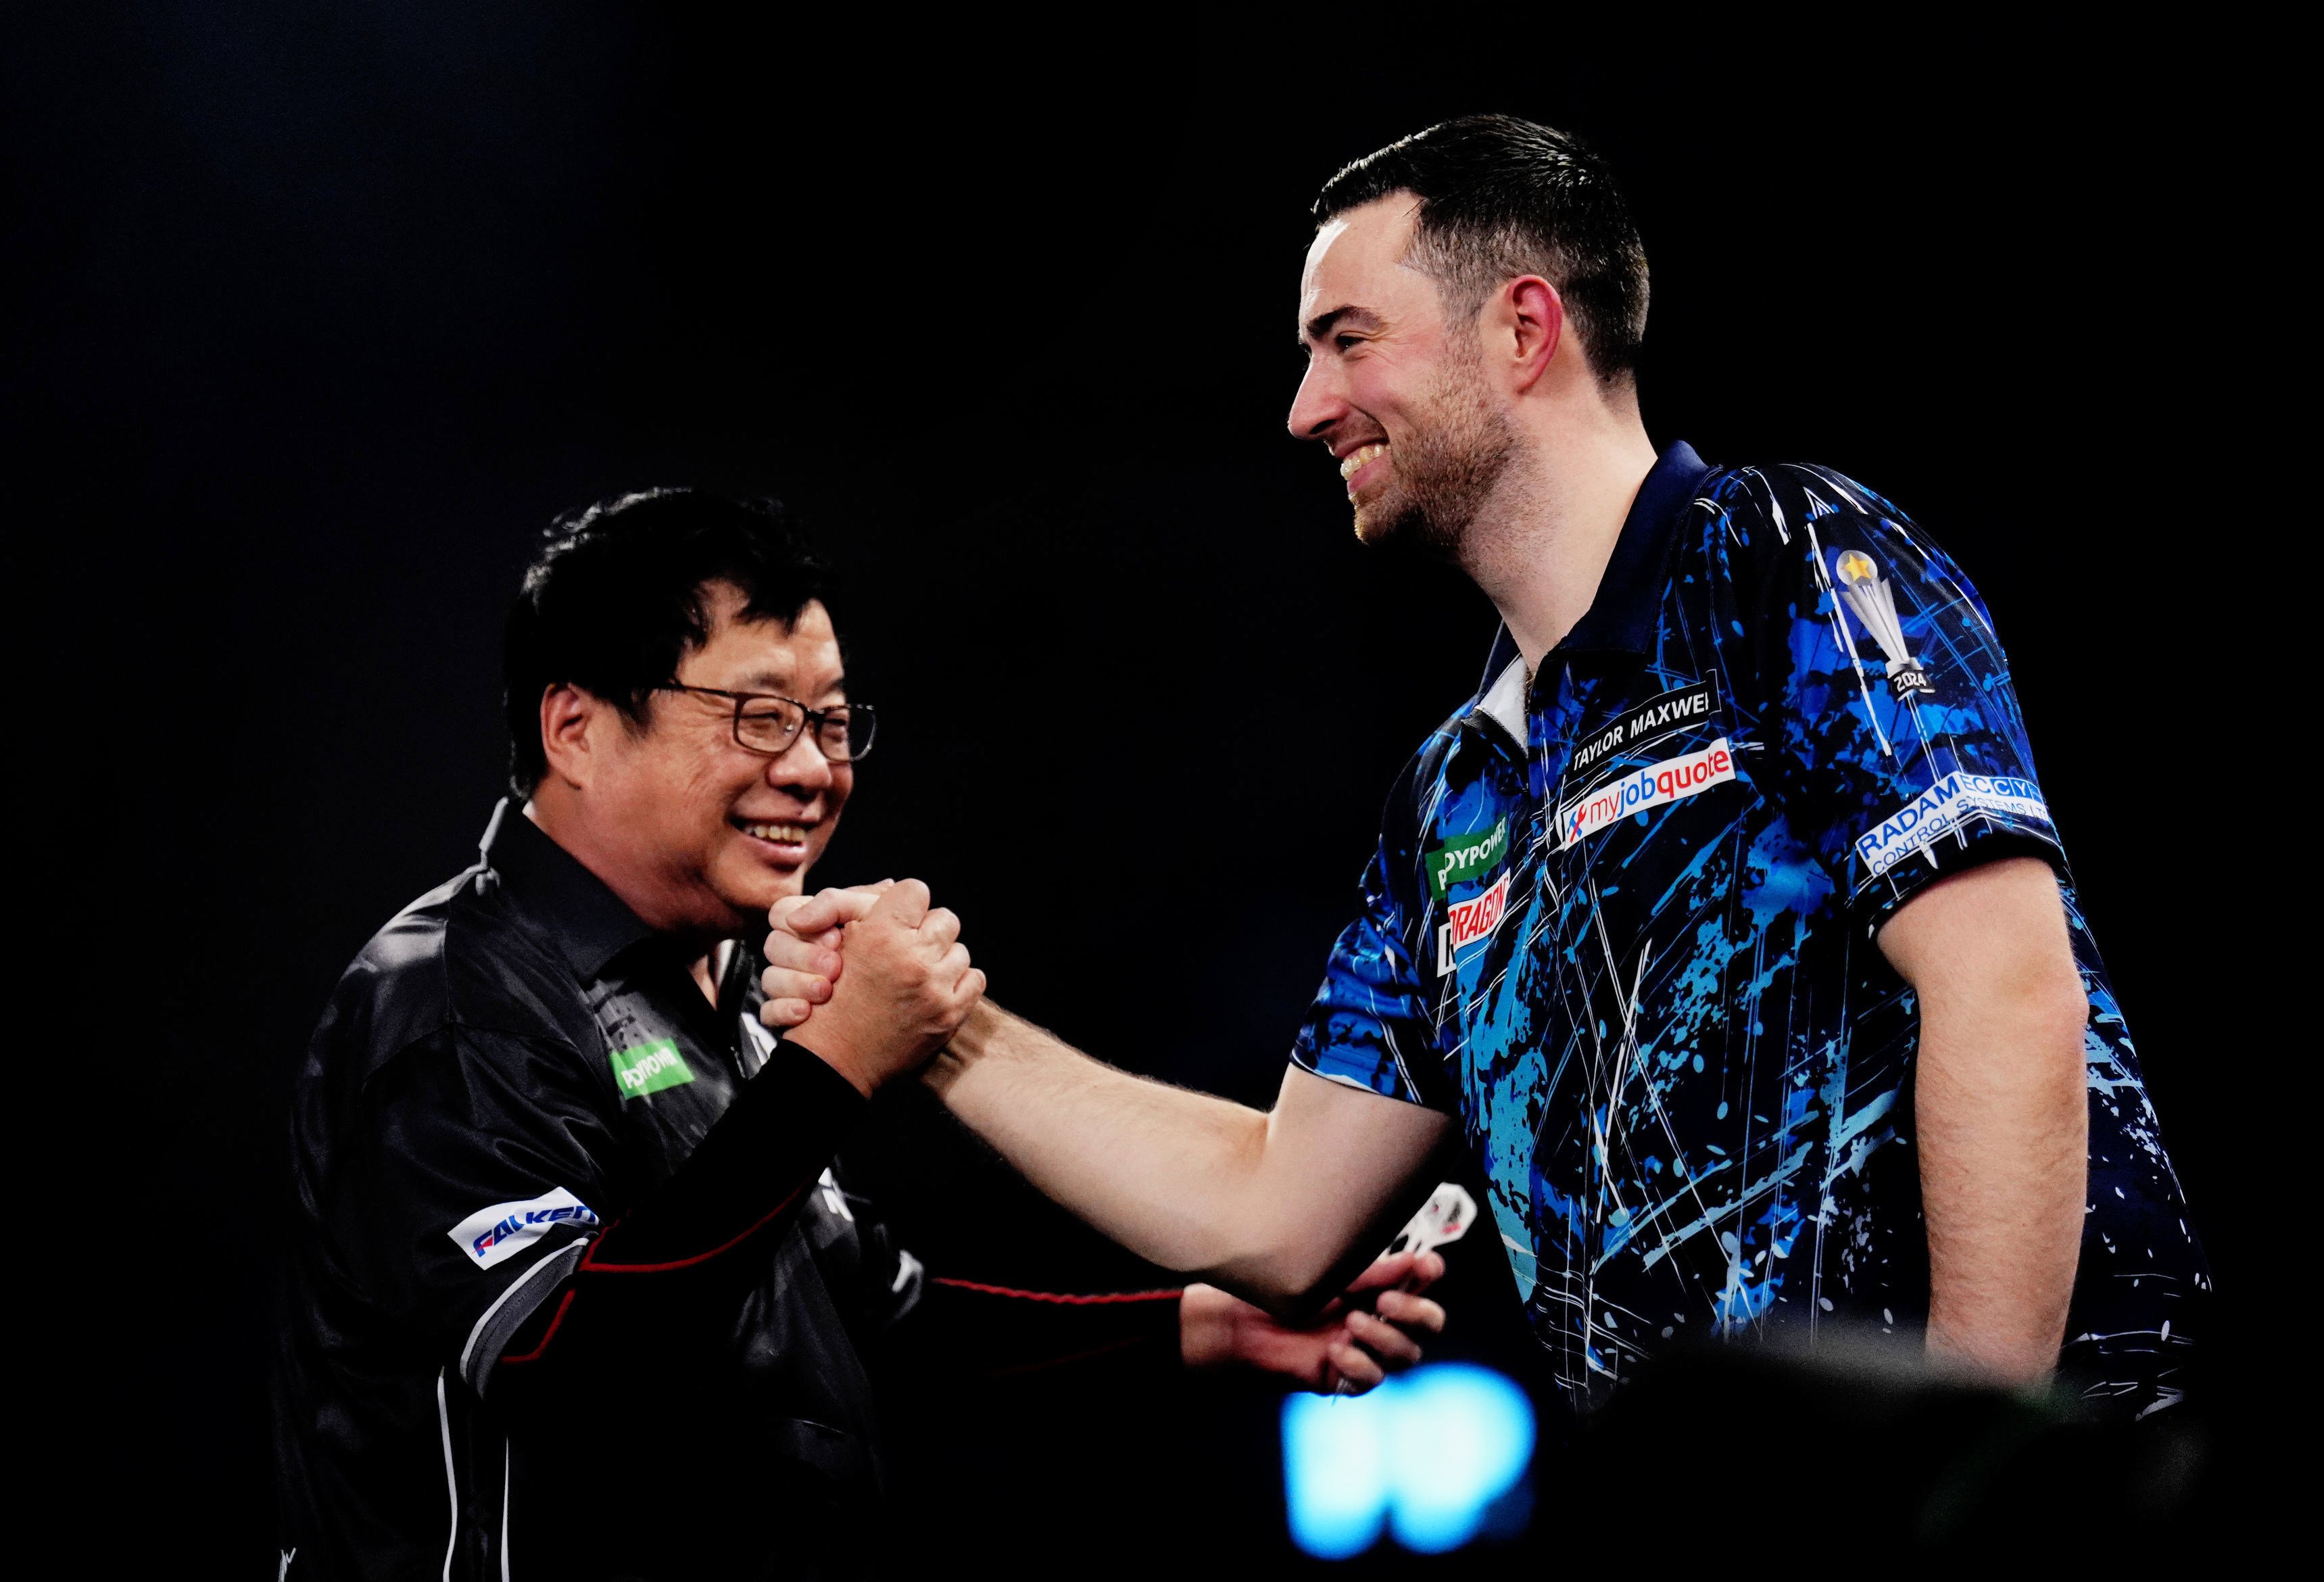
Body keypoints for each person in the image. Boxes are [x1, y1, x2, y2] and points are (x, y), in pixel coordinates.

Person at [766, 116, 2206, 1419]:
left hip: (2012, 1508)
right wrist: (937, 1027)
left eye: (1347, 339)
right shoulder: (1454, 792)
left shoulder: (1779, 558)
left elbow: (2005, 993)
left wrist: (1960, 1485)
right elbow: (1275, 1209)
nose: (1305, 407)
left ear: (1523, 327)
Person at [270, 489, 1447, 1581]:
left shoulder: (723, 988)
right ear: (575, 729)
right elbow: (565, 1364)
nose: (810, 771)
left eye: (831, 723)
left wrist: (1208, 1327)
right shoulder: (449, 1002)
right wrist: (835, 1066)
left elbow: (881, 1327)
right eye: (758, 717)